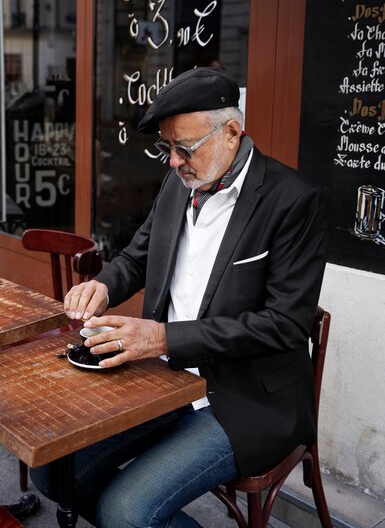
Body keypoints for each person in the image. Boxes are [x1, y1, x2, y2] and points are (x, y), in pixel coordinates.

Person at [31, 66, 327, 528]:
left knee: (125, 511)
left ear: (232, 132)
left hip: (245, 399)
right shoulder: (178, 184)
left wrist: (163, 338)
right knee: (53, 472)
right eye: (165, 148)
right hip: (165, 383)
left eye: (184, 148)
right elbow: (136, 257)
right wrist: (104, 286)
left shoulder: (292, 201)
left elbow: (284, 325)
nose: (172, 161)